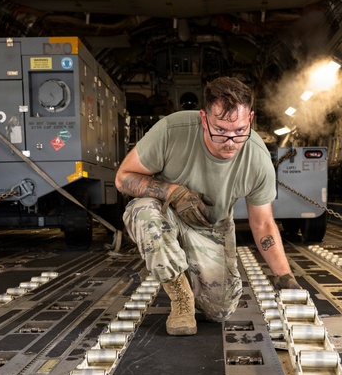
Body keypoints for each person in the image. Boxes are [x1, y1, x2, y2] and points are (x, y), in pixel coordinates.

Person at [115, 77, 302, 336]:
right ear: (204, 118)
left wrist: (285, 277)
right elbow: (123, 177)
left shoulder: (257, 159)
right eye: (220, 130)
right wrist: (174, 192)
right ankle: (181, 297)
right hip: (167, 214)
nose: (229, 141)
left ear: (250, 119)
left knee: (219, 311)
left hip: (211, 225)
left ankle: (191, 273)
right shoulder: (171, 131)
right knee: (144, 212)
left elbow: (262, 223)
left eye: (239, 131)